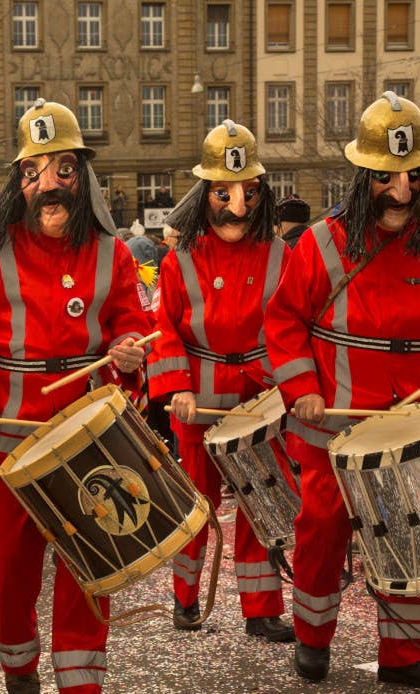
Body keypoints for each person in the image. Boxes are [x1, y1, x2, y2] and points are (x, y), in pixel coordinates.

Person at [265, 92, 420, 692]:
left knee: (415, 524)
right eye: (387, 180)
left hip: (410, 416)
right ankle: (313, 638)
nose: (400, 194)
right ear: (363, 176)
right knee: (324, 525)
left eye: (412, 179)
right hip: (331, 418)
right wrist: (301, 388)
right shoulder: (317, 243)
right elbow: (284, 322)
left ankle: (409, 654)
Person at [0, 99, 151, 694]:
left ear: (80, 176)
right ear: (20, 182)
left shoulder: (113, 253)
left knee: (90, 556)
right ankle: (18, 660)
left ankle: (82, 684)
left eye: (64, 169)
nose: (50, 185)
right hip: (8, 436)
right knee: (10, 566)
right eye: (35, 172)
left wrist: (129, 351)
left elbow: (133, 324)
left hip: (88, 431)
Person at [148, 119, 294, 642]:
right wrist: (178, 387)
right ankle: (184, 601)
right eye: (224, 193)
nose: (237, 205)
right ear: (205, 194)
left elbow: (293, 325)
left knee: (262, 500)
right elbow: (162, 325)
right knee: (195, 505)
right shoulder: (179, 258)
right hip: (199, 393)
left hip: (261, 391)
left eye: (248, 193)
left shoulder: (281, 255)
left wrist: (289, 387)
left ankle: (261, 609)